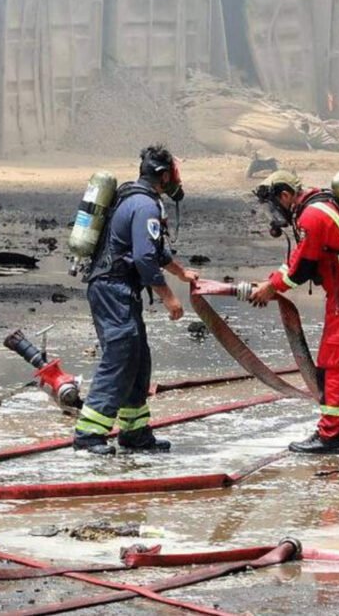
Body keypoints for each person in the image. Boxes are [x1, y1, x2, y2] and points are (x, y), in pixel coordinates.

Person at [73, 144, 199, 456]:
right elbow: (144, 258)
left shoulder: (134, 198)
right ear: (164, 176)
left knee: (138, 357)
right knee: (120, 354)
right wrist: (169, 297)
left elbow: (154, 250)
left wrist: (181, 272)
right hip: (112, 288)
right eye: (174, 175)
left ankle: (135, 432)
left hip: (116, 288)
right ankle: (88, 434)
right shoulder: (145, 206)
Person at [248, 170, 339, 454]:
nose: (274, 213)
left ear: (286, 195)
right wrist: (272, 282)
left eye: (275, 204)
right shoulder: (320, 203)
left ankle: (328, 435)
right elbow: (302, 258)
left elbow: (300, 269)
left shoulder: (311, 216)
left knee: (334, 361)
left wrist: (271, 287)